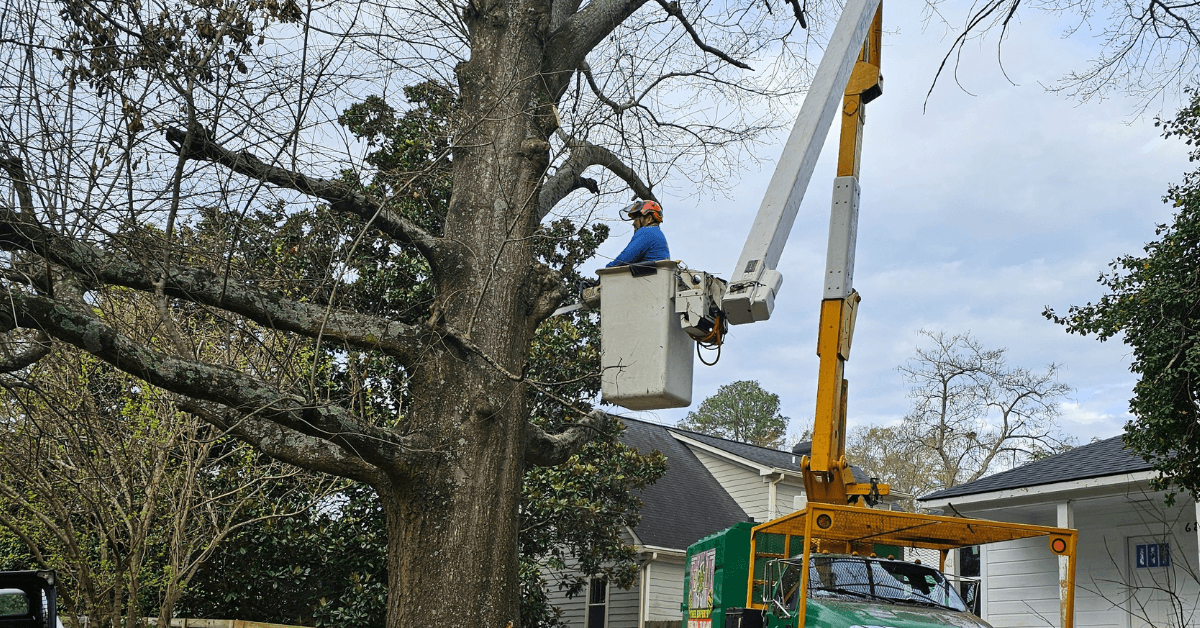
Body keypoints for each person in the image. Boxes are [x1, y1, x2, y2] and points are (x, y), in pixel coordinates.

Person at [605, 200, 669, 268]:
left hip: (648, 277)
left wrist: (606, 270)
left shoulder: (647, 232)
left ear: (649, 219)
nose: (634, 223)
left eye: (636, 219)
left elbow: (624, 259)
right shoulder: (657, 233)